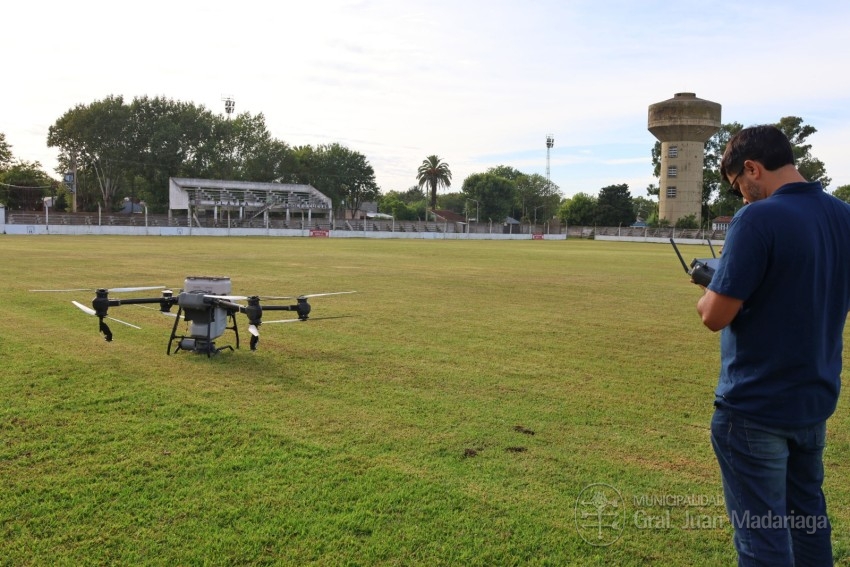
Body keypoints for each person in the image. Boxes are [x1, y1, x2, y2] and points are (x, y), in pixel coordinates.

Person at [696, 124, 850, 566]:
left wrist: (710, 287)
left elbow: (714, 315)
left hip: (755, 406)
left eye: (738, 185)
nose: (741, 195)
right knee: (809, 523)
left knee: (761, 539)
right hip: (813, 402)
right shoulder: (844, 216)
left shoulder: (757, 217)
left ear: (752, 168)